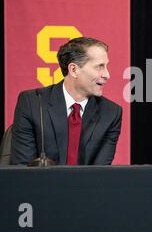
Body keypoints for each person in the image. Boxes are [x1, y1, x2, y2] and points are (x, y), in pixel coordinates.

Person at [11, 37, 122, 165]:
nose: (107, 75)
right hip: (40, 184)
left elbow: (100, 172)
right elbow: (23, 168)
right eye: (99, 67)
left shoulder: (111, 113)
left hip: (87, 185)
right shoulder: (33, 103)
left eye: (106, 66)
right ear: (74, 70)